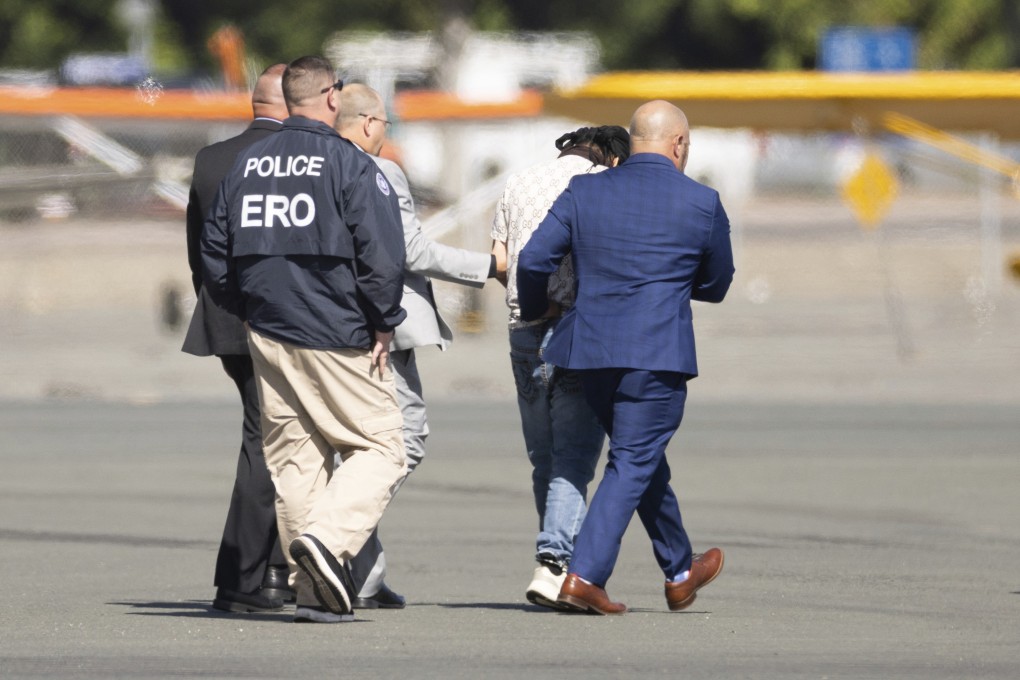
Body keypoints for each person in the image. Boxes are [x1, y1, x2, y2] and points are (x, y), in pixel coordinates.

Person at [201, 56, 408, 624]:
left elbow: (214, 251)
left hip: (268, 329)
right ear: (333, 97)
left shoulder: (248, 163)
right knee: (386, 446)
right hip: (337, 329)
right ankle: (326, 541)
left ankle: (315, 591)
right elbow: (383, 255)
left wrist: (247, 309)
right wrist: (383, 318)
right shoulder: (350, 162)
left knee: (296, 458)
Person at [516, 100, 734, 615]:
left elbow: (532, 259)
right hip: (657, 353)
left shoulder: (584, 190)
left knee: (639, 456)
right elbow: (717, 283)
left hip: (588, 352)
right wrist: (675, 283)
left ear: (634, 140)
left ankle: (681, 568)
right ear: (679, 143)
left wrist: (534, 307)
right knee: (634, 458)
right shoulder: (702, 201)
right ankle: (584, 576)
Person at [334, 84, 505, 609]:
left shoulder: (319, 167)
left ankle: (365, 570)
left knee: (351, 444)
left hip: (324, 326)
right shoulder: (381, 172)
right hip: (381, 331)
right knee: (403, 441)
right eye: (386, 122)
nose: (388, 133)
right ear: (366, 123)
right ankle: (334, 537)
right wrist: (488, 267)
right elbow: (409, 249)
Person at [490, 125, 630, 609]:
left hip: (521, 332)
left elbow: (501, 260)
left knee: (544, 458)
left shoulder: (520, 182)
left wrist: (529, 302)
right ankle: (553, 562)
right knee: (573, 459)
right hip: (577, 333)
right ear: (612, 157)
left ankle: (557, 560)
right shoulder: (601, 185)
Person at [181, 63, 293, 614]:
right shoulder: (301, 160)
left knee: (270, 437)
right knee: (269, 442)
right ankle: (246, 577)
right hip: (285, 320)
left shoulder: (211, 159)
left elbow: (197, 249)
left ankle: (270, 571)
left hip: (224, 318)